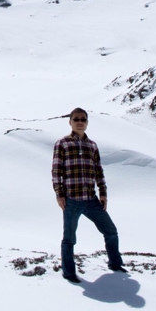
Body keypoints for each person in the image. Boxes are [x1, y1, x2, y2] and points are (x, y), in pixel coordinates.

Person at [51, 107, 124, 283]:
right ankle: (68, 272)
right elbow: (56, 171)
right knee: (69, 239)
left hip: (91, 199)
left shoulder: (92, 145)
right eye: (76, 119)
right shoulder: (62, 143)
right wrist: (59, 194)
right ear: (70, 122)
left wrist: (103, 193)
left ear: (87, 122)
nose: (79, 122)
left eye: (83, 119)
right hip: (72, 200)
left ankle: (115, 264)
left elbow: (98, 170)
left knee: (111, 231)